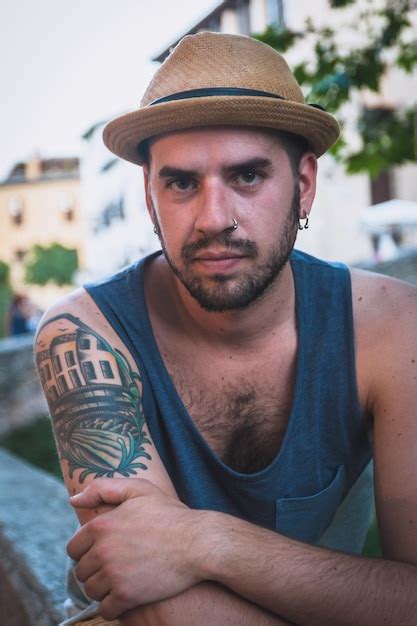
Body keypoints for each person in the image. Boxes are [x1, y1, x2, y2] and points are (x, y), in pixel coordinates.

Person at [35, 32, 417, 626]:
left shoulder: (393, 329)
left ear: (305, 184)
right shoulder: (84, 338)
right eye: (182, 182)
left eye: (247, 176)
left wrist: (205, 541)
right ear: (148, 194)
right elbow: (150, 599)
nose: (214, 219)